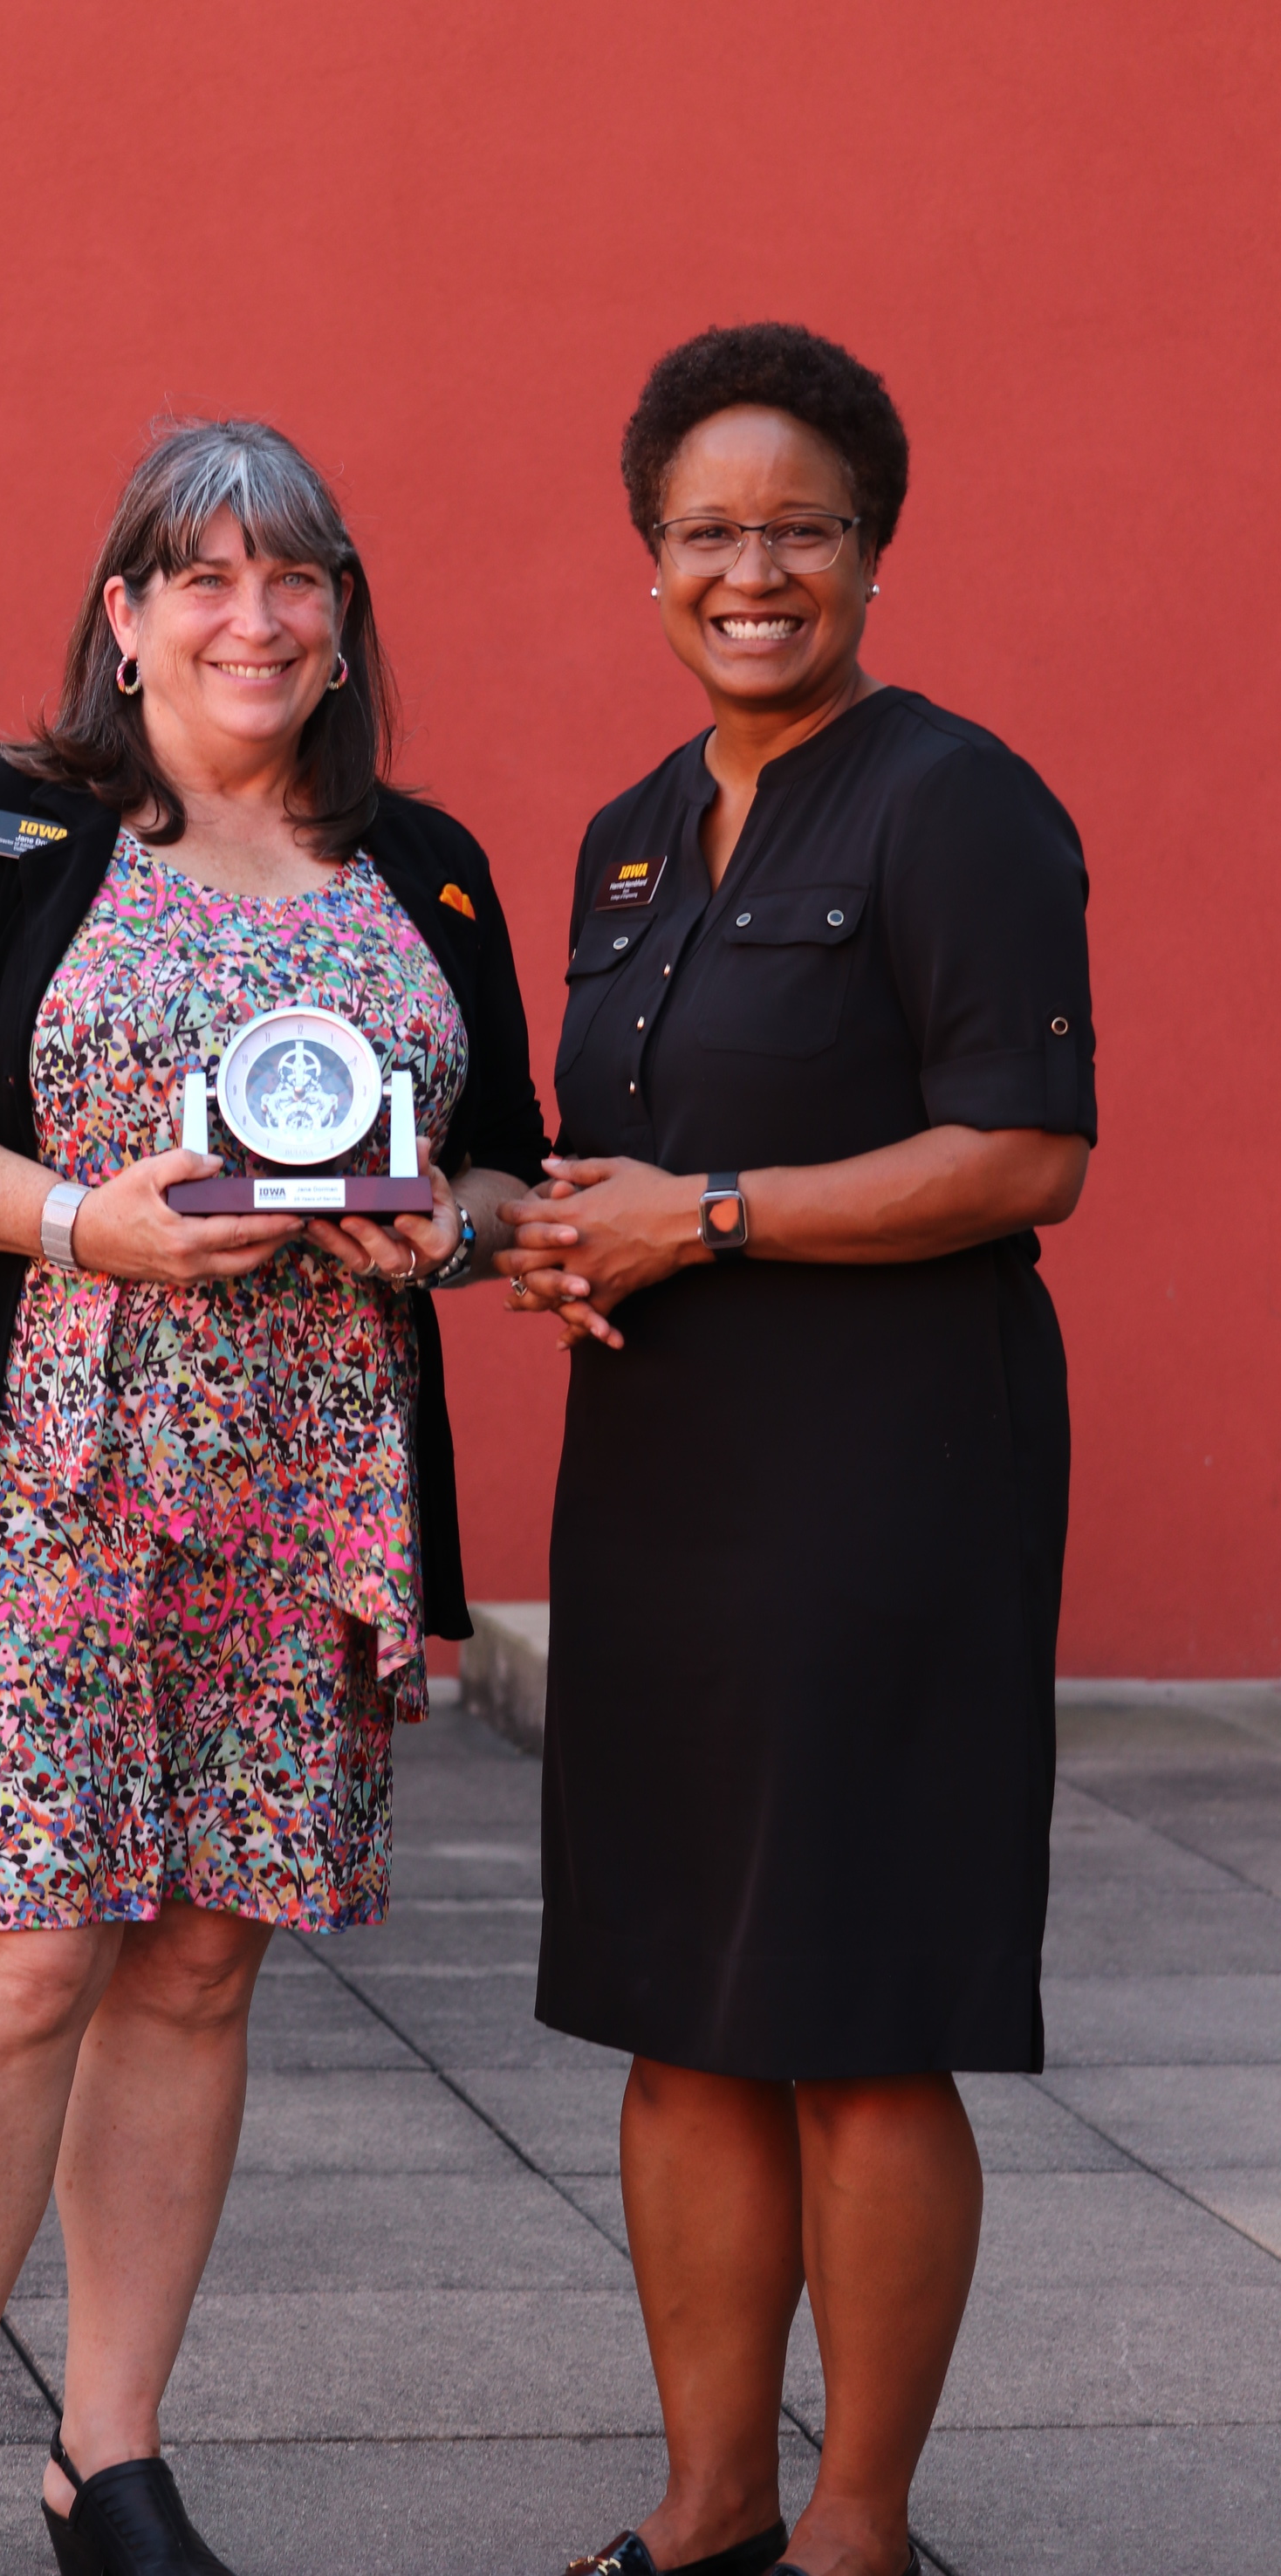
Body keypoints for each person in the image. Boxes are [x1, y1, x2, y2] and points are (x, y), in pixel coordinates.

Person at [0, 416, 545, 2576]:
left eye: (294, 576)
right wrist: (75, 1221)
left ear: (342, 619)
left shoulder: (426, 866)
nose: (253, 616)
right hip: (44, 1479)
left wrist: (451, 1230)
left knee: (204, 1967)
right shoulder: (12, 830)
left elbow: (505, 1161)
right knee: (15, 1959)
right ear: (124, 618)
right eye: (203, 576)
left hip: (306, 1500)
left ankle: (107, 2459)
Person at [497, 325, 1095, 2576]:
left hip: (888, 1489)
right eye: (708, 533)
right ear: (649, 559)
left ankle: (856, 2528)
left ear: (873, 552)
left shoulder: (957, 802)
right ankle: (709, 2505)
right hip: (664, 1480)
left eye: (800, 530)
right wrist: (563, 1235)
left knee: (856, 2013)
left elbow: (1026, 1154)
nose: (752, 573)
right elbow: (624, 1153)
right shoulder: (627, 839)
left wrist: (712, 1216)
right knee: (676, 2011)